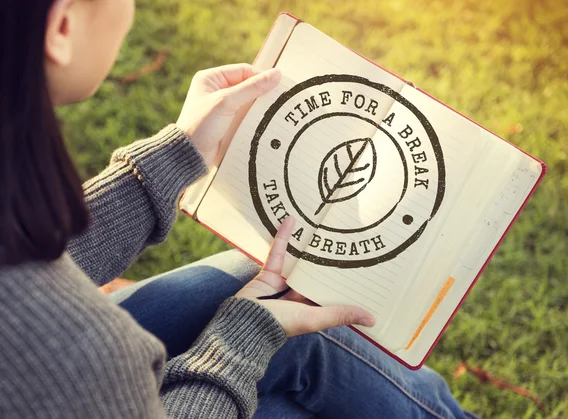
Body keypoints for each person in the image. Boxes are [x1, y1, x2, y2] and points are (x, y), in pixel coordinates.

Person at [0, 0, 476, 418]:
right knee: (293, 356)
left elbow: (22, 257)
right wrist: (240, 340)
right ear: (62, 27)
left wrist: (174, 157)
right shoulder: (83, 350)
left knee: (261, 287)